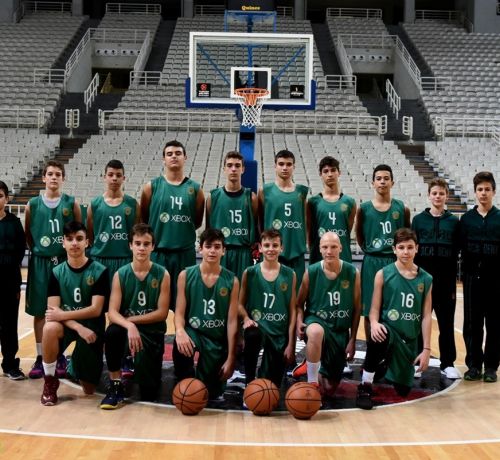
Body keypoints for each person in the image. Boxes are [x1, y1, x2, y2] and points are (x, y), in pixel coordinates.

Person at [356, 228, 433, 410]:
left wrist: (426, 349)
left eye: (410, 247)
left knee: (403, 390)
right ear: (394, 249)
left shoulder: (426, 279)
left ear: (417, 248)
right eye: (401, 247)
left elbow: (426, 316)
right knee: (379, 334)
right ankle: (365, 386)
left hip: (409, 341)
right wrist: (374, 323)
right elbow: (374, 310)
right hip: (390, 332)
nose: (406, 252)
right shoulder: (383, 274)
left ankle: (384, 365)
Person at [100, 224, 170, 409]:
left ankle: (139, 365)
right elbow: (112, 312)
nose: (141, 248)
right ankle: (115, 385)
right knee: (113, 332)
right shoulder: (120, 274)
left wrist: (131, 321)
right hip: (126, 331)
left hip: (151, 332)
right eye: (137, 243)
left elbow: (162, 313)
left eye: (146, 244)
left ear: (153, 246)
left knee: (149, 392)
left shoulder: (163, 274)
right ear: (130, 245)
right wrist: (129, 326)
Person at [40, 221, 108, 406]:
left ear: (87, 242)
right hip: (71, 326)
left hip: (92, 326)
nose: (74, 243)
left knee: (89, 390)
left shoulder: (100, 271)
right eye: (69, 239)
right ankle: (49, 380)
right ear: (63, 243)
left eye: (79, 238)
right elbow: (53, 312)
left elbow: (96, 309)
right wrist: (78, 327)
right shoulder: (56, 272)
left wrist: (63, 315)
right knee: (49, 328)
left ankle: (75, 363)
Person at [25, 160, 82, 379]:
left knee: (62, 310)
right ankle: (41, 357)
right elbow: (29, 235)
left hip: (64, 262)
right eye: (50, 174)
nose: (54, 177)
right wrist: (41, 251)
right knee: (40, 311)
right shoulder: (32, 204)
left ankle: (60, 355)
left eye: (58, 174)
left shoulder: (71, 203)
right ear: (43, 178)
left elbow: (78, 232)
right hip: (40, 263)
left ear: (63, 178)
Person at [173, 228, 239, 399]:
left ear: (224, 251)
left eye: (217, 247)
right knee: (180, 345)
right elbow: (179, 312)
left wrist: (231, 358)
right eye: (208, 246)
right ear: (200, 249)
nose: (212, 251)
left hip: (217, 339)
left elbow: (232, 321)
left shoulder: (232, 280)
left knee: (212, 393)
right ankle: (184, 383)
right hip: (194, 333)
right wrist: (180, 331)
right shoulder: (185, 275)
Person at [140, 140, 204, 310]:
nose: (174, 157)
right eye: (169, 154)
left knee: (184, 303)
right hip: (158, 254)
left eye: (178, 153)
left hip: (185, 254)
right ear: (163, 159)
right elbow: (145, 220)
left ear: (185, 157)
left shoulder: (196, 189)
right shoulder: (151, 187)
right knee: (154, 302)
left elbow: (196, 222)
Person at [296, 232, 361, 396]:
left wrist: (353, 340)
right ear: (319, 249)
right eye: (325, 247)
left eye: (333, 247)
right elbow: (298, 304)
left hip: (339, 331)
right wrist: (299, 321)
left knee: (329, 389)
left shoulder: (353, 273)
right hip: (317, 321)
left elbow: (357, 309)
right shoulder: (311, 272)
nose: (329, 251)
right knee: (315, 332)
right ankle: (312, 382)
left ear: (341, 248)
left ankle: (311, 362)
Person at [412, 178, 460, 379]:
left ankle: (447, 363)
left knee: (446, 323)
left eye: (441, 193)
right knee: (417, 323)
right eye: (434, 193)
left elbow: (457, 250)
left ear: (446, 196)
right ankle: (416, 362)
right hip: (423, 281)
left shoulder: (454, 222)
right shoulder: (418, 220)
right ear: (429, 195)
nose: (438, 196)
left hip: (446, 282)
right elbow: (413, 250)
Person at [355, 164, 410, 338]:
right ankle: (371, 350)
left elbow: (406, 236)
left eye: (386, 178)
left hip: (394, 262)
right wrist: (370, 249)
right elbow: (359, 235)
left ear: (392, 182)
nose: (382, 182)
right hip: (372, 261)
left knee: (394, 307)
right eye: (378, 179)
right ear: (373, 183)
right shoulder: (364, 209)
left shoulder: (402, 208)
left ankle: (391, 348)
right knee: (369, 309)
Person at [238, 229, 296, 388]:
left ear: (281, 248)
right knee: (252, 334)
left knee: (272, 387)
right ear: (260, 248)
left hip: (279, 333)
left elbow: (292, 311)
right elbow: (239, 304)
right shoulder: (250, 272)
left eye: (275, 245)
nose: (271, 249)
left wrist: (291, 343)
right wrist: (246, 318)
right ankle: (249, 381)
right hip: (258, 328)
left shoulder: (290, 274)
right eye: (267, 245)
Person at [459, 171, 500, 383]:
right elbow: (460, 250)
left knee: (494, 325)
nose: (483, 193)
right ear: (475, 192)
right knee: (472, 324)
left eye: (487, 189)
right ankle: (474, 365)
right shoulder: (466, 220)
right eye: (480, 189)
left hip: (496, 280)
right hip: (472, 280)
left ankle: (491, 367)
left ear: (494, 191)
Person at [258, 150, 308, 288]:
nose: (285, 168)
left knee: (295, 295)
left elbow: (305, 221)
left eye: (288, 164)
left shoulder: (302, 192)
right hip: (272, 253)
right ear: (275, 166)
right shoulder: (265, 190)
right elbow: (260, 221)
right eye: (281, 164)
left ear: (294, 167)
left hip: (296, 252)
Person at [206, 151, 257, 281]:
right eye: (229, 165)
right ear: (224, 169)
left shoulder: (251, 197)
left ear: (243, 169)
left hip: (244, 254)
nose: (233, 169)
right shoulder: (213, 197)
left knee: (242, 292)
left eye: (237, 165)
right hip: (220, 253)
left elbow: (257, 227)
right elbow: (208, 231)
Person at [87, 159, 140, 285]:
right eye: (110, 175)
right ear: (104, 177)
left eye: (118, 175)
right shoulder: (95, 204)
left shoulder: (133, 204)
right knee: (100, 297)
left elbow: (137, 234)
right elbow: (90, 234)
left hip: (125, 259)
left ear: (123, 178)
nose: (114, 178)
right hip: (100, 259)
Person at [307, 156, 356, 265]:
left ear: (339, 173)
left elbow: (347, 230)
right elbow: (310, 233)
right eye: (326, 171)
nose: (330, 174)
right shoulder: (313, 202)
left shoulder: (350, 202)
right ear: (320, 174)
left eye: (333, 170)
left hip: (343, 257)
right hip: (318, 258)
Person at [0, 181, 26, 380]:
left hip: (9, 281)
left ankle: (10, 364)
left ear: (7, 199)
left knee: (9, 324)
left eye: (0, 196)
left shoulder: (14, 223)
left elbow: (19, 251)